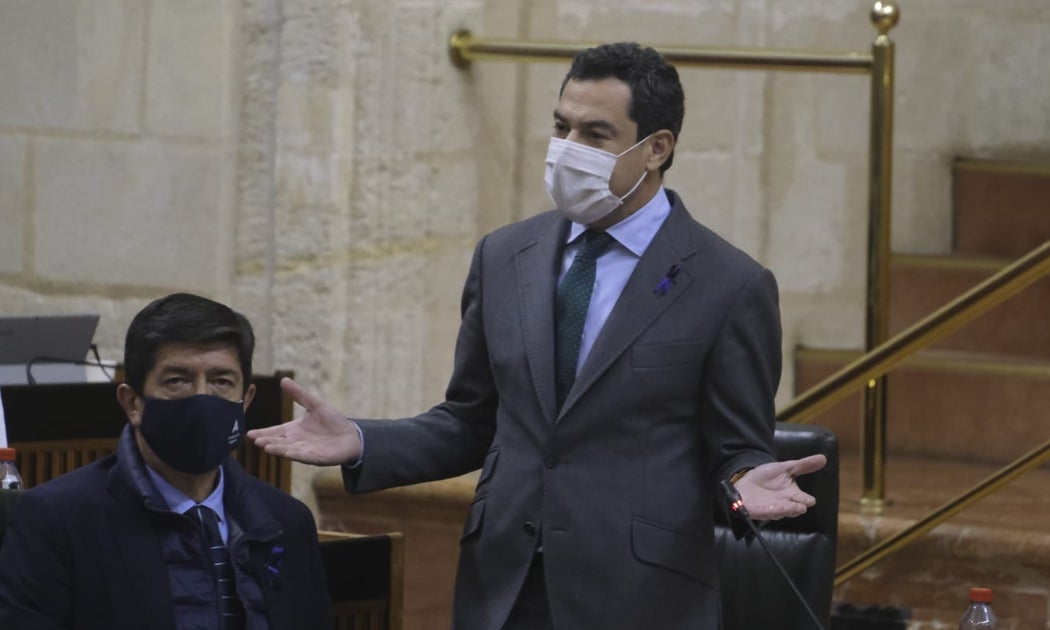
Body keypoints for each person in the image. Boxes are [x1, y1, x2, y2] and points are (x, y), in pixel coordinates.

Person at [249, 42, 826, 630]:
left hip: (640, 595)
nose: (568, 150)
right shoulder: (505, 255)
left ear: (656, 148)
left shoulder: (730, 284)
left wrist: (743, 480)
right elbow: (470, 420)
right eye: (561, 127)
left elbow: (736, 446)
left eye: (595, 134)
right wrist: (361, 441)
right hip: (503, 581)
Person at [0, 293, 334, 629]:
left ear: (245, 401)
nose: (202, 399)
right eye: (178, 381)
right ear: (133, 403)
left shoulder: (287, 522)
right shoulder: (56, 521)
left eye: (221, 382)